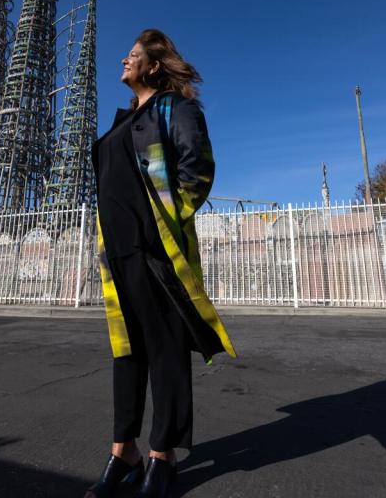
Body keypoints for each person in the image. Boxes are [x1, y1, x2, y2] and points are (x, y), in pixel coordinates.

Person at [85, 29, 237, 498]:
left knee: (166, 351)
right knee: (126, 352)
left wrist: (165, 224)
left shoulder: (174, 109)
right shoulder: (122, 121)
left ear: (153, 65)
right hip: (118, 252)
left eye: (132, 56)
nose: (123, 62)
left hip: (156, 250)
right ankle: (122, 449)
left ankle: (162, 455)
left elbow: (198, 168)